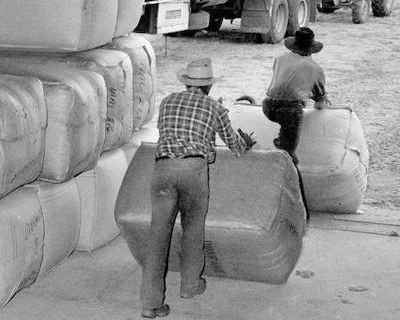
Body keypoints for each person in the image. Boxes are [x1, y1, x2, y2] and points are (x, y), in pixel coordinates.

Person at [140, 58, 255, 319]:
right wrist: (245, 142)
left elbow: (165, 133)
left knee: (157, 237)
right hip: (193, 171)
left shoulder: (168, 101)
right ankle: (190, 286)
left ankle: (150, 303)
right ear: (209, 86)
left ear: (186, 82)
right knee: (192, 229)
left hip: (163, 169)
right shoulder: (215, 107)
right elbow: (235, 146)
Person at [261, 27, 331, 221]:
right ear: (311, 49)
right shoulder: (315, 69)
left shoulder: (280, 59)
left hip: (267, 107)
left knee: (284, 143)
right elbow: (319, 102)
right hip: (289, 111)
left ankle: (281, 143)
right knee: (289, 159)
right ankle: (302, 210)